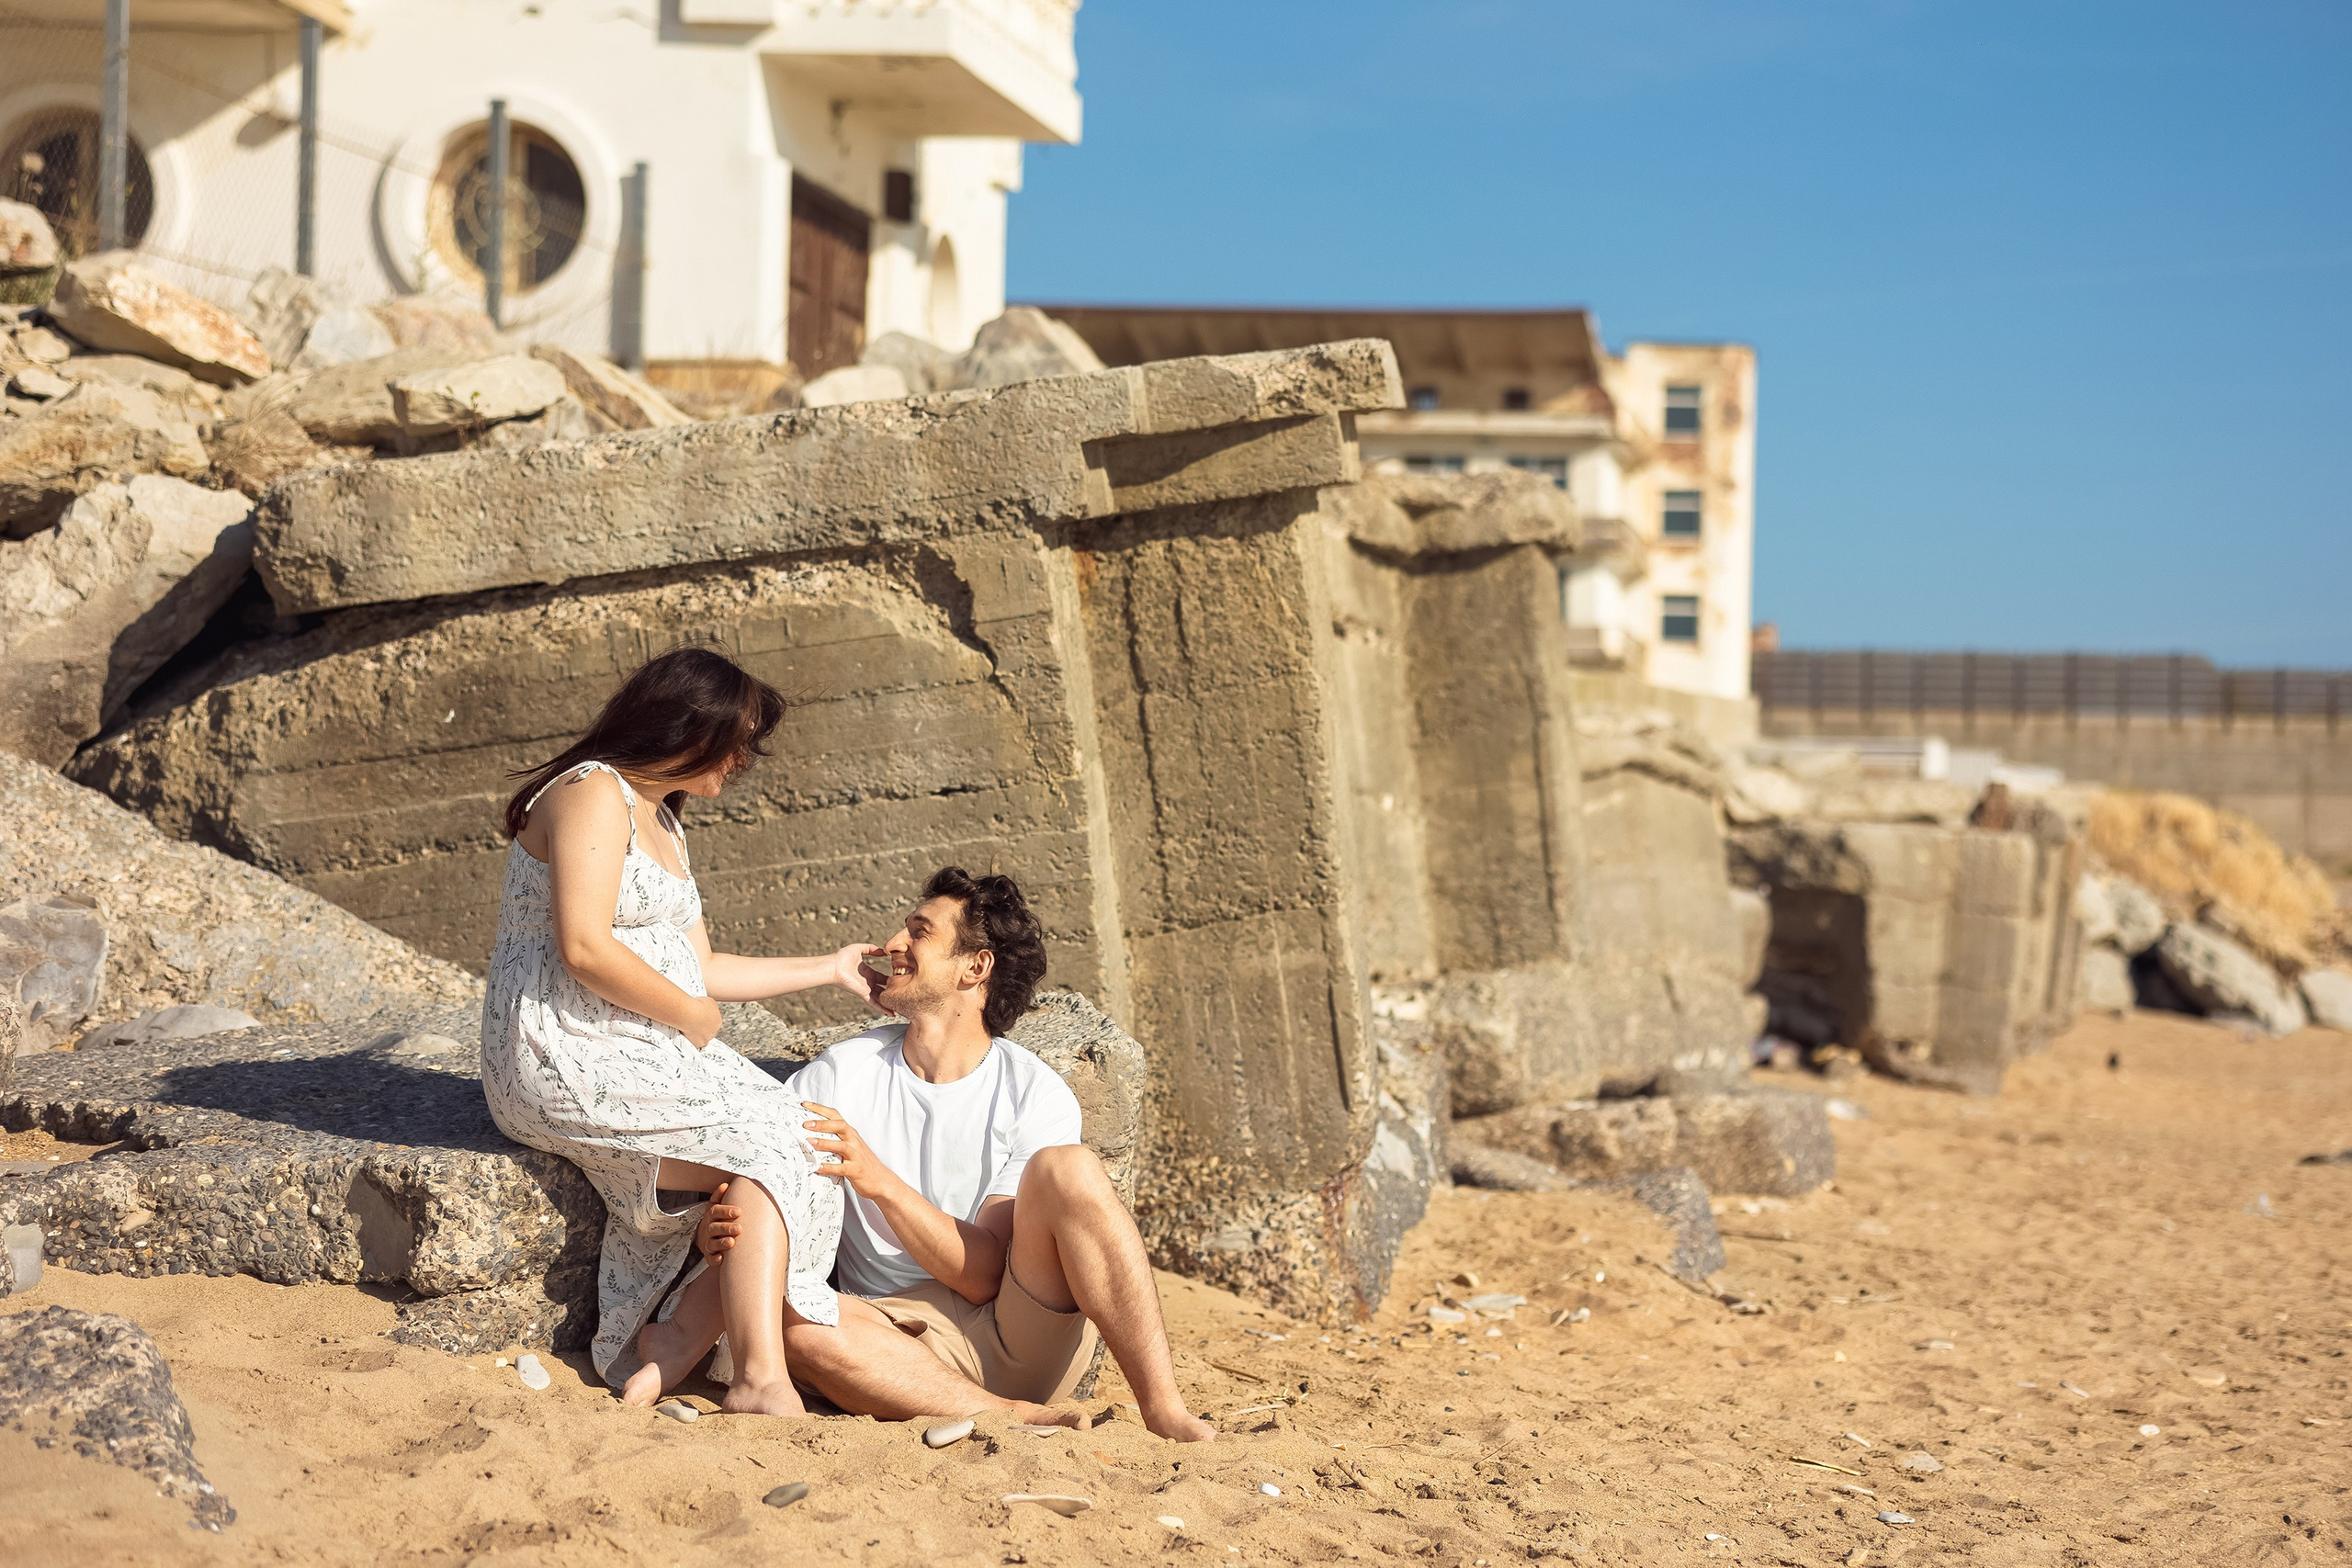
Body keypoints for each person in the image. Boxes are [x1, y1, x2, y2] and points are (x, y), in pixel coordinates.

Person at [480, 648, 873, 1416]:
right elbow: (583, 945)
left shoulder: (661, 816)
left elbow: (706, 965)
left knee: (805, 1138)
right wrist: (690, 1015)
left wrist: (830, 967)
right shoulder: (593, 791)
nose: (744, 760)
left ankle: (680, 1337)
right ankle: (758, 1377)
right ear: (688, 727)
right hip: (563, 1047)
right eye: (737, 741)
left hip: (641, 1044)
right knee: (769, 1147)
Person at [699, 867, 1216, 1442]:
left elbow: (984, 1276)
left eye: (919, 932)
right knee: (795, 1325)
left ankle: (1164, 1408)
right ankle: (1009, 1415)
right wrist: (716, 1228)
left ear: (976, 967)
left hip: (1018, 1333)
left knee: (1068, 1168)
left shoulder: (1033, 1092)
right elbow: (759, 1180)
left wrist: (878, 1180)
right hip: (889, 1339)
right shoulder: (841, 1073)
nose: (893, 944)